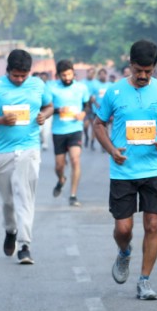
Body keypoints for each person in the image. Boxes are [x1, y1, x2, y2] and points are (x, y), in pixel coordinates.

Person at [94, 40, 157, 301]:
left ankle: (144, 281)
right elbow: (98, 124)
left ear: (155, 68)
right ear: (129, 64)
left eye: (148, 71)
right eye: (138, 70)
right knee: (123, 229)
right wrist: (111, 150)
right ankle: (124, 252)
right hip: (123, 171)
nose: (142, 76)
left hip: (153, 169)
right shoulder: (114, 93)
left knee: (153, 225)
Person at [0, 49, 53, 265]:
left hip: (29, 148)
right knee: (8, 201)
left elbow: (50, 106)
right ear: (7, 71)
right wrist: (1, 120)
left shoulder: (38, 85)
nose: (20, 80)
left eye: (24, 75)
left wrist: (43, 115)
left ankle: (25, 245)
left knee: (25, 196)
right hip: (3, 150)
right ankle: (10, 230)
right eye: (16, 76)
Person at [47, 59, 91, 207]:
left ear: (73, 73)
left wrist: (84, 114)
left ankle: (73, 195)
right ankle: (61, 179)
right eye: (63, 75)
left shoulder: (81, 88)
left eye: (69, 74)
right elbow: (45, 108)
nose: (67, 78)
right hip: (58, 130)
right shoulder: (51, 88)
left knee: (75, 160)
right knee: (59, 166)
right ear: (58, 75)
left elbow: (86, 105)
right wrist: (59, 110)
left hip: (75, 129)